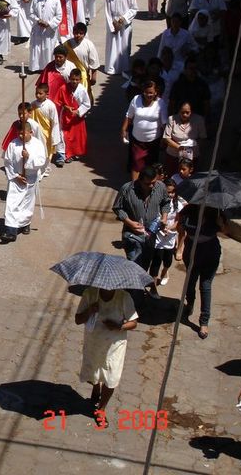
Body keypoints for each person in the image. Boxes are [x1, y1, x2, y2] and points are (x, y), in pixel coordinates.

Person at [74, 286, 138, 428]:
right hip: (94, 342)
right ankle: (96, 388)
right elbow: (78, 319)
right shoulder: (89, 294)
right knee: (94, 372)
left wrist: (119, 326)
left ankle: (101, 409)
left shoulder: (124, 297)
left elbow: (134, 323)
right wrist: (90, 310)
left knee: (112, 377)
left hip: (115, 346)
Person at [177, 204, 227, 339]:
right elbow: (180, 227)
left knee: (205, 286)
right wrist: (180, 244)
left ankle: (204, 321)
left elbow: (225, 231)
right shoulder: (188, 210)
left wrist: (221, 224)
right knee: (190, 281)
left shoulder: (216, 211)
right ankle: (190, 303)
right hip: (192, 252)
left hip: (210, 252)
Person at [112, 165, 170, 270]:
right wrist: (129, 222)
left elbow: (165, 203)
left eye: (154, 182)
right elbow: (117, 208)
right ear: (140, 180)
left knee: (144, 266)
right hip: (132, 235)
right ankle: (132, 286)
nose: (152, 186)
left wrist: (164, 217)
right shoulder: (127, 189)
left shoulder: (161, 187)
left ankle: (139, 285)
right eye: (148, 184)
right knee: (134, 266)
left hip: (151, 235)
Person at [1, 121, 47, 243]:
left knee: (27, 203)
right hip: (16, 178)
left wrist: (28, 156)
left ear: (31, 132)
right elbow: (7, 161)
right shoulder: (13, 144)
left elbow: (42, 161)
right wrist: (16, 175)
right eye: (19, 134)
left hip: (30, 178)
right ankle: (10, 231)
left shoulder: (37, 145)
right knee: (12, 202)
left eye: (23, 134)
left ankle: (25, 223)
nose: (20, 136)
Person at [121, 80, 167, 181]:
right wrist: (124, 129)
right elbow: (129, 115)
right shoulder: (136, 99)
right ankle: (135, 188)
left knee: (151, 167)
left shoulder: (161, 103)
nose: (148, 95)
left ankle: (149, 188)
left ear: (156, 92)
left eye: (151, 92)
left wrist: (165, 139)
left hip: (153, 142)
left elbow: (164, 123)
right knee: (136, 163)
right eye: (146, 92)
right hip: (137, 141)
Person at [148, 178, 185, 293]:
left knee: (168, 261)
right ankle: (153, 286)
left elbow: (178, 221)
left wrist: (169, 228)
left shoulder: (178, 205)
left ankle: (164, 272)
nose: (170, 194)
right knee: (156, 261)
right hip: (158, 236)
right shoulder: (157, 202)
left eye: (173, 192)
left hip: (170, 236)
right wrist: (161, 228)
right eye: (168, 192)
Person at [104, 0, 138, 77]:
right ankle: (112, 68)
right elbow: (107, 12)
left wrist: (124, 19)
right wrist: (112, 25)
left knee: (124, 45)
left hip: (125, 24)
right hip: (114, 23)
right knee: (113, 46)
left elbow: (134, 9)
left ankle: (124, 67)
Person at [55, 68, 90, 163]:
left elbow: (87, 104)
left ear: (80, 79)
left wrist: (78, 111)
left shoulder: (82, 90)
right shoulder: (63, 88)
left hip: (77, 118)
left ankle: (74, 152)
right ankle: (66, 154)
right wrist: (65, 106)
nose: (74, 81)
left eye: (77, 79)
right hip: (66, 116)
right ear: (69, 78)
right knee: (65, 136)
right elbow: (58, 101)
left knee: (76, 137)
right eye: (73, 79)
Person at [163, 101, 207, 173]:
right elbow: (166, 138)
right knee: (172, 175)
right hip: (173, 155)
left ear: (191, 112)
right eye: (182, 112)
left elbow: (203, 137)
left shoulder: (199, 120)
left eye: (187, 112)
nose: (184, 115)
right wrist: (179, 147)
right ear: (179, 111)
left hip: (191, 156)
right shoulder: (171, 119)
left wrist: (192, 147)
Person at [29, 0, 63, 72]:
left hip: (49, 31)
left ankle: (47, 68)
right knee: (37, 48)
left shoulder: (55, 0)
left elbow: (59, 15)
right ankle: (36, 67)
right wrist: (38, 21)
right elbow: (31, 13)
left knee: (48, 49)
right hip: (38, 28)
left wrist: (49, 24)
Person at [65, 22, 100, 101]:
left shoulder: (89, 45)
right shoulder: (67, 45)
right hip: (70, 76)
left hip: (83, 77)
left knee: (83, 98)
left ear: (84, 34)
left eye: (81, 33)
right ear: (73, 32)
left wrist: (93, 78)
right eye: (76, 33)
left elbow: (94, 63)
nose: (78, 35)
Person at [32, 82, 62, 167]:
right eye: (36, 93)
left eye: (40, 93)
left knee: (46, 151)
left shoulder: (50, 106)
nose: (38, 95)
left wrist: (54, 137)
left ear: (47, 94)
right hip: (35, 133)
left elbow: (55, 122)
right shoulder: (33, 104)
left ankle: (46, 167)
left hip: (46, 134)